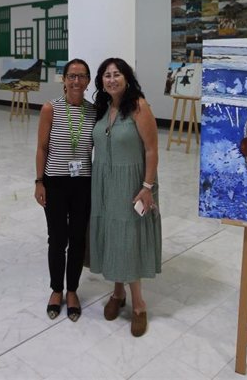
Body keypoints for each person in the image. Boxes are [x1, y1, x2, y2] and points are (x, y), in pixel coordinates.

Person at [90, 57, 162, 337]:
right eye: (106, 75)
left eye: (116, 74)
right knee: (111, 233)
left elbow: (152, 150)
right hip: (104, 182)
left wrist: (147, 186)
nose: (111, 79)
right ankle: (117, 293)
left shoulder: (139, 106)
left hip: (133, 183)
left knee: (129, 237)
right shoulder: (104, 107)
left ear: (127, 78)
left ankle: (139, 305)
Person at [35, 58, 96, 323]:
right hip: (56, 183)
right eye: (71, 76)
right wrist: (39, 181)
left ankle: (73, 290)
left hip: (83, 183)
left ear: (88, 81)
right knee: (57, 238)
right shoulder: (51, 108)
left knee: (78, 238)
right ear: (64, 79)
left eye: (81, 76)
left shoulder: (94, 111)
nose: (76, 81)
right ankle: (56, 290)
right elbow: (42, 148)